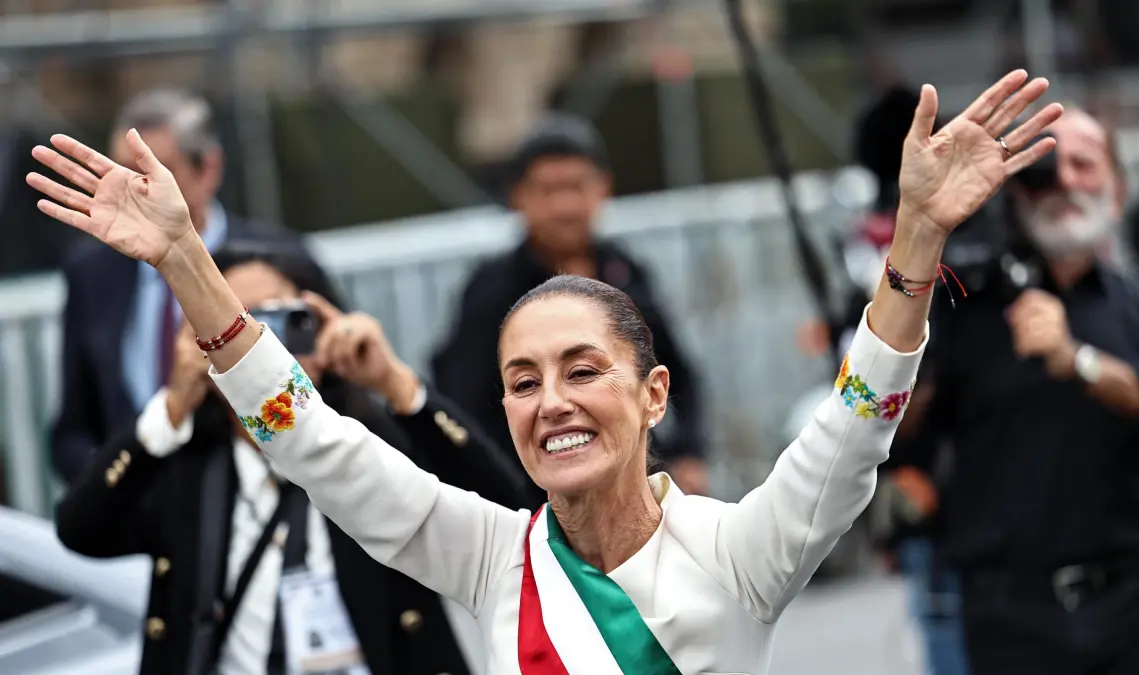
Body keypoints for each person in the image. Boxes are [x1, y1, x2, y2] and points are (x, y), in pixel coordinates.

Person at [27, 70, 1061, 673]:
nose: (550, 401)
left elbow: (857, 419)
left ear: (654, 393)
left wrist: (917, 236)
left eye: (581, 369)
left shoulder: (743, 547)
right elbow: (309, 436)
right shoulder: (489, 555)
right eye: (522, 382)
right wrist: (185, 257)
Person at [55, 245, 532, 675]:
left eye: (282, 321)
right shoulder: (186, 466)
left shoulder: (372, 448)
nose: (254, 345)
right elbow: (82, 529)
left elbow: (507, 510)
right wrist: (172, 408)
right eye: (230, 326)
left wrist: (394, 384)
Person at [893, 105, 1139, 675]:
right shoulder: (963, 308)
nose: (1064, 182)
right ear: (1014, 188)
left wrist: (1076, 361)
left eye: (1084, 164)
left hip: (1135, 604)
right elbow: (894, 431)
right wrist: (912, 276)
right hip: (1006, 614)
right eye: (1046, 165)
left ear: (1117, 191)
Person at [433, 112, 710, 497]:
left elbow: (676, 368)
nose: (564, 206)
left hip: (632, 481)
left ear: (603, 188)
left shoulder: (624, 271)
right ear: (518, 196)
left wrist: (689, 453)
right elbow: (464, 405)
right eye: (548, 191)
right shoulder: (492, 290)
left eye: (577, 187)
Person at [50, 88, 308, 482]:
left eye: (151, 176)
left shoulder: (277, 262)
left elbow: (325, 394)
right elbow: (73, 428)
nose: (133, 192)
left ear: (208, 169)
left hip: (254, 490)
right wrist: (110, 483)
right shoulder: (91, 272)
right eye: (120, 174)